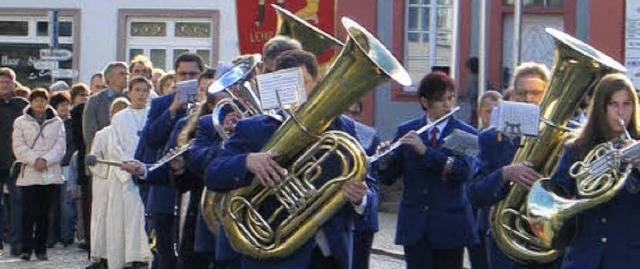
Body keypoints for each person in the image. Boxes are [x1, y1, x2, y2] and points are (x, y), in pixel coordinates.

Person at [205, 49, 369, 269]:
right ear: (276, 85)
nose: (297, 91)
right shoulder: (253, 128)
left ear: (317, 83)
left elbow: (371, 184)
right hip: (273, 259)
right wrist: (247, 161)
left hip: (330, 255)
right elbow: (213, 173)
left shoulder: (343, 127)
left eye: (303, 82)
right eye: (288, 83)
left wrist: (360, 199)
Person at [376, 71, 477, 269]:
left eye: (450, 98)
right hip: (415, 227)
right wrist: (385, 158)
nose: (448, 105)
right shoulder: (407, 130)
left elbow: (463, 172)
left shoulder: (465, 132)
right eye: (441, 101)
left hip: (450, 226)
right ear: (425, 102)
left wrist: (426, 152)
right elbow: (388, 177)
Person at [467, 62, 553, 269]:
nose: (528, 99)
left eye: (535, 93)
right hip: (505, 242)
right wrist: (504, 174)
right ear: (512, 96)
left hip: (548, 242)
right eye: (521, 93)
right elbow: (474, 193)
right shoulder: (490, 138)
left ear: (548, 93)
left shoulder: (564, 138)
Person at [550, 73, 640, 269]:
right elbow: (558, 193)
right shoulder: (577, 148)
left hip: (628, 258)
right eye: (613, 104)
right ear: (601, 108)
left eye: (627, 104)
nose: (621, 112)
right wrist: (593, 172)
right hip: (584, 256)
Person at [136, 52, 205, 269]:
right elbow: (151, 140)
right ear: (175, 77)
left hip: (194, 193)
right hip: (164, 191)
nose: (187, 79)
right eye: (182, 74)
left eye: (192, 74)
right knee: (165, 256)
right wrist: (173, 109)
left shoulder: (211, 105)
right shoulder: (162, 104)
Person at [12, 88, 66, 261]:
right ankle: (26, 248)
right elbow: (18, 146)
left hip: (49, 172)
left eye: (43, 100)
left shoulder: (57, 122)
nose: (39, 103)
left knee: (45, 213)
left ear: (47, 102)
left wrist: (46, 160)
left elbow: (60, 146)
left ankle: (41, 249)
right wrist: (35, 160)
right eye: (36, 100)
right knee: (28, 213)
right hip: (29, 172)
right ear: (31, 102)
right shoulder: (20, 122)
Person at [107, 77, 152, 269]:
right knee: (126, 219)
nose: (141, 94)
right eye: (137, 90)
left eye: (145, 90)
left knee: (145, 217)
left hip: (147, 174)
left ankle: (146, 256)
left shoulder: (153, 115)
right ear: (129, 93)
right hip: (126, 176)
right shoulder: (120, 117)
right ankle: (128, 257)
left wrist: (144, 168)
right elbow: (114, 146)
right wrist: (128, 165)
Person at [85, 97, 130, 269]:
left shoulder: (130, 132)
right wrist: (104, 169)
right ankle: (101, 256)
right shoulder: (103, 134)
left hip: (125, 182)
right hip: (106, 182)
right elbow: (95, 157)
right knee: (103, 219)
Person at [344, 102, 381, 269]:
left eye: (355, 114)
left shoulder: (368, 136)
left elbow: (373, 181)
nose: (350, 118)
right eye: (347, 113)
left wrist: (362, 199)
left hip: (361, 224)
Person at [0, 67, 29, 256]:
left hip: (16, 162)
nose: (4, 85)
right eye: (1, 82)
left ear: (13, 84)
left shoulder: (22, 105)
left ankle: (17, 243)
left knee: (19, 202)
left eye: (7, 82)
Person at [49, 93, 76, 248]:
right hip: (50, 167)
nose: (65, 108)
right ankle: (51, 236)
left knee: (66, 202)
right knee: (50, 202)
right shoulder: (49, 123)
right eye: (61, 105)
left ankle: (67, 236)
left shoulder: (72, 123)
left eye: (67, 104)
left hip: (66, 166)